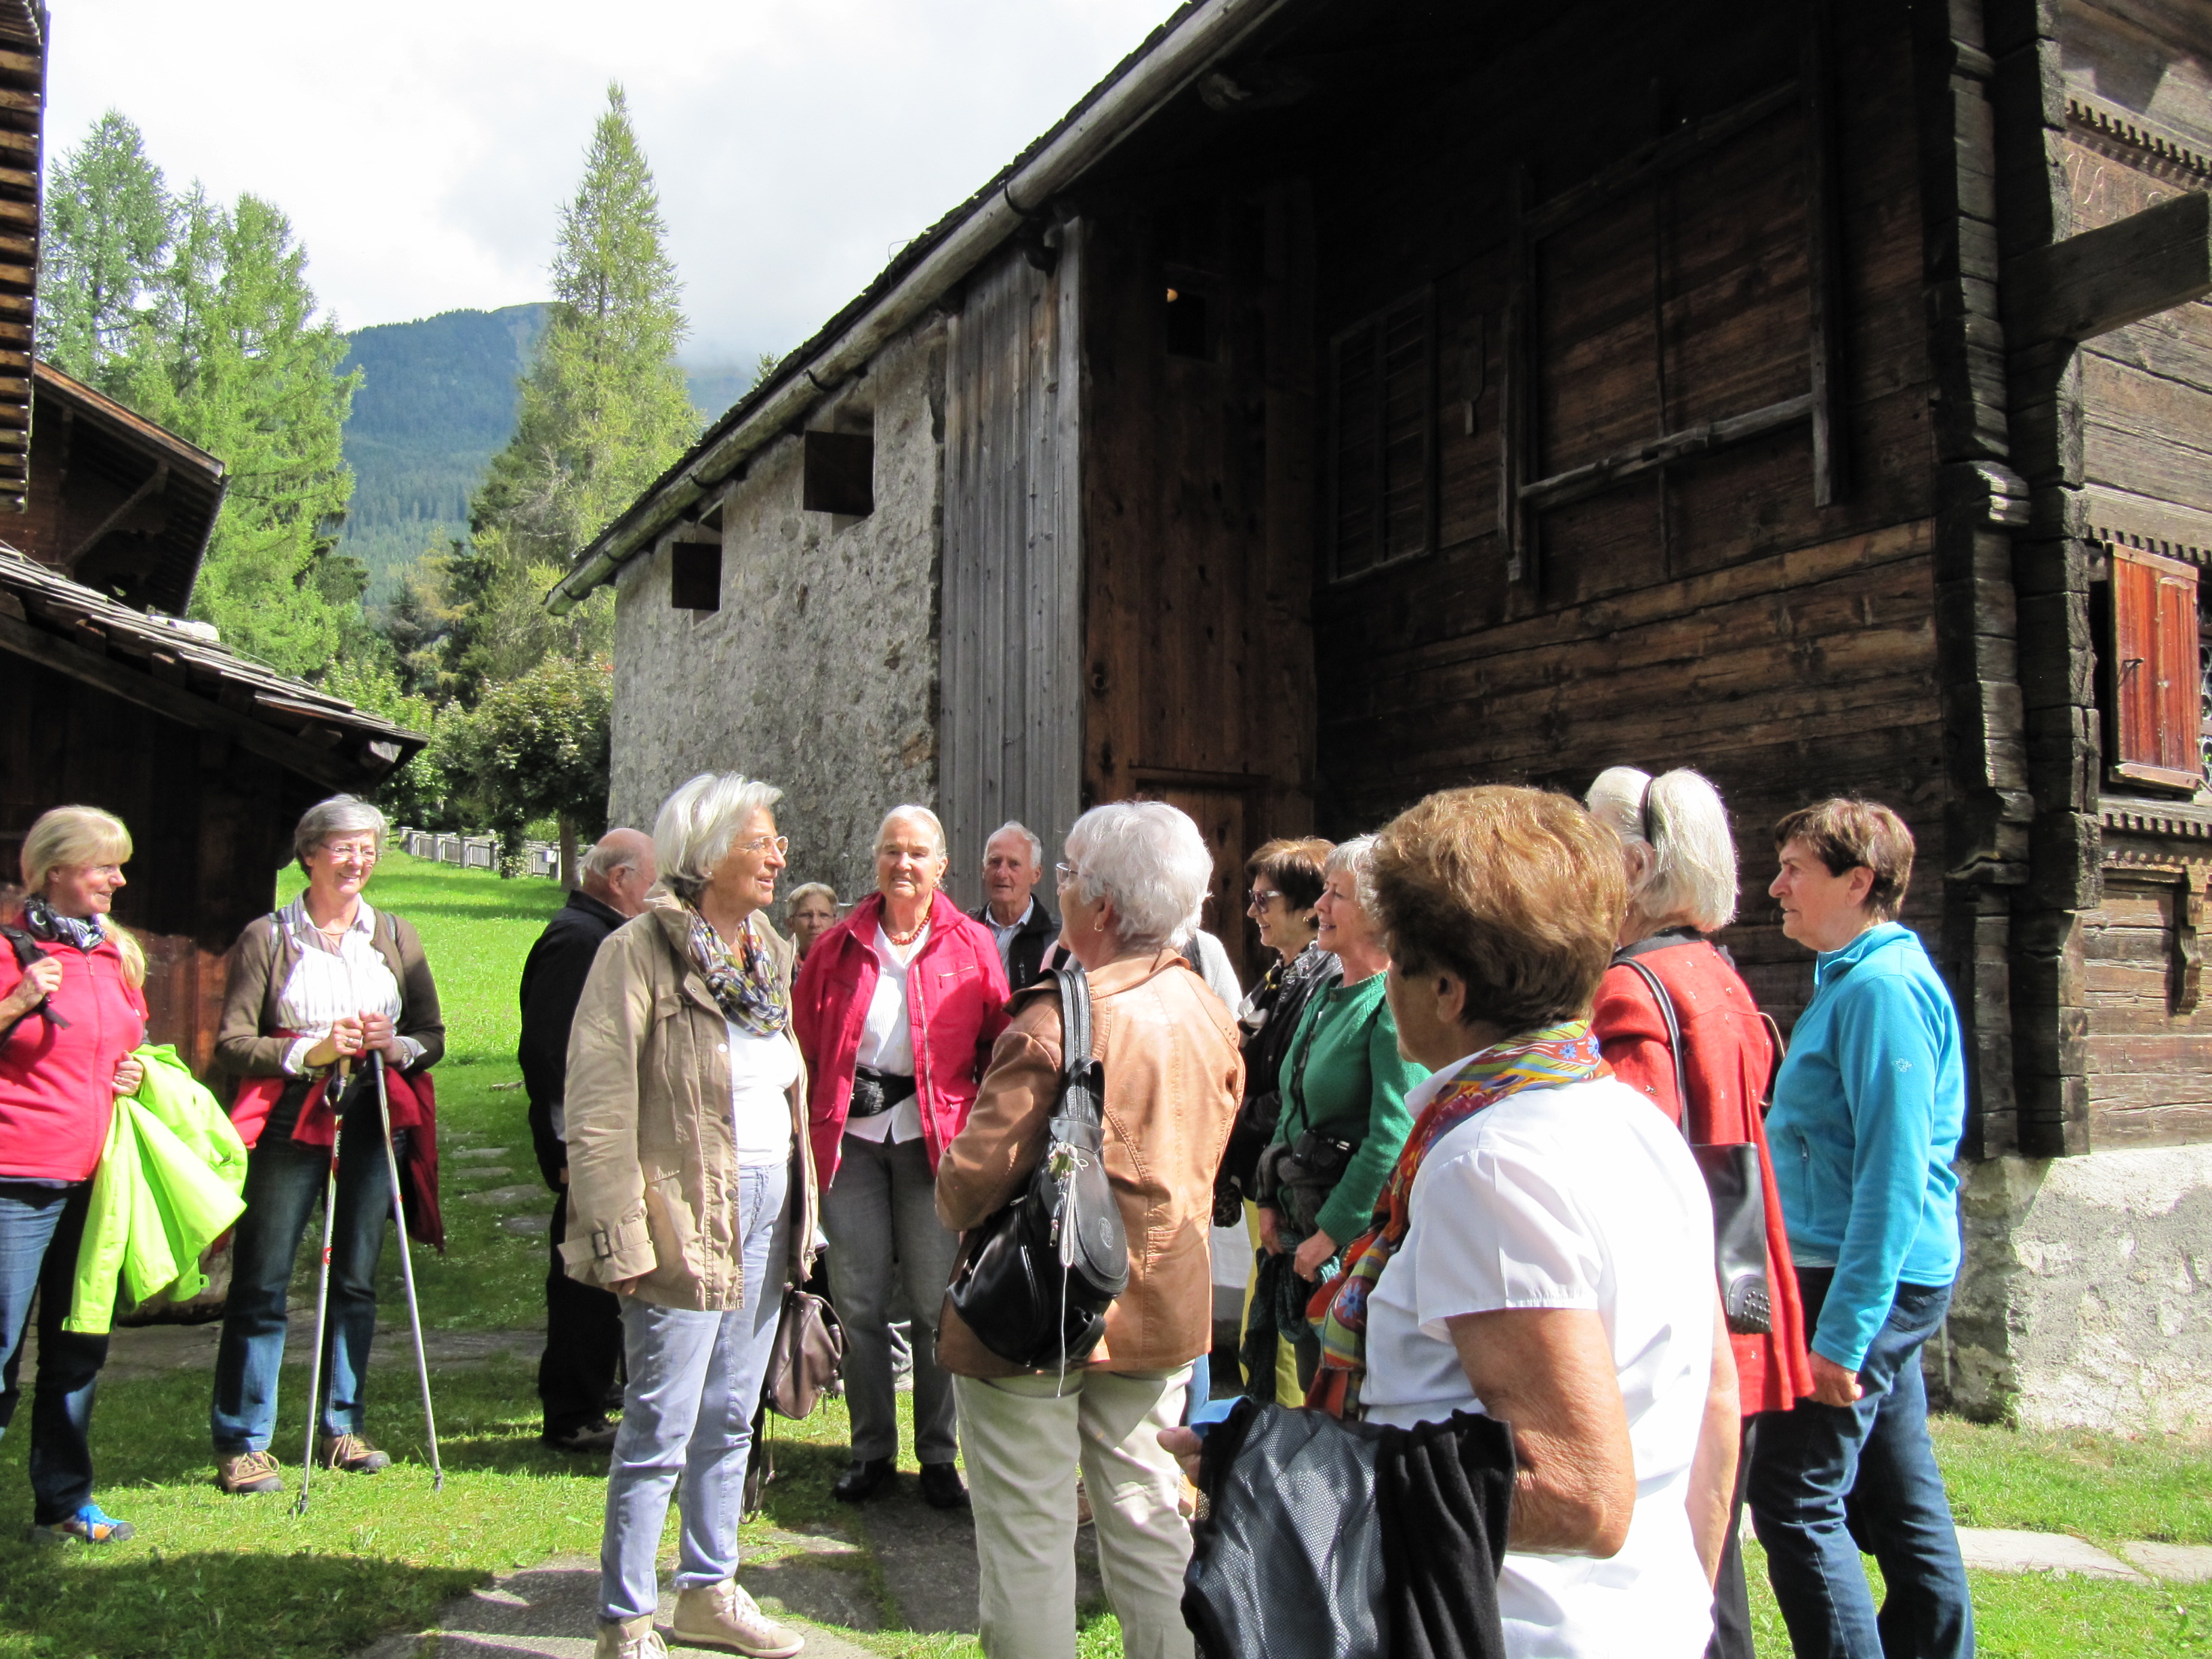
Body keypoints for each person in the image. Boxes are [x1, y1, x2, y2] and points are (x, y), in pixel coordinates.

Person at [1170, 785, 1739, 1656]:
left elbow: (1582, 1493)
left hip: (1514, 1631)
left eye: (1397, 963)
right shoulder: (1628, 1121)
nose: (1384, 984)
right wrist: (1684, 1605)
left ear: (1446, 988)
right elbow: (1715, 1406)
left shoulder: (1492, 1164)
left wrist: (1278, 1467)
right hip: (1630, 1625)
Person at [939, 800, 1243, 1659]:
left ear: (1101, 910)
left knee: (1031, 1538)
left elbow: (968, 1187)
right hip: (1158, 1305)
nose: (1058, 887)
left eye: (1066, 873)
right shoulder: (1207, 1008)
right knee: (1151, 1520)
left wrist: (948, 1179)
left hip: (1037, 1307)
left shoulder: (1056, 1020)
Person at [562, 772, 816, 1659]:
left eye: (777, 842)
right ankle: (626, 1618)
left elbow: (785, 1087)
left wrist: (803, 1214)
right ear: (708, 855)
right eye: (762, 842)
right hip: (680, 1212)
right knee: (659, 1422)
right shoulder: (636, 954)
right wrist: (616, 1230)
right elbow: (596, 1107)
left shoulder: (768, 952)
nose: (779, 855)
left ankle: (709, 1591)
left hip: (765, 1200)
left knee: (732, 1414)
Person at [1584, 766, 1814, 1659]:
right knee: (1712, 1570)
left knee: (1682, 1574)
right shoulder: (1714, 969)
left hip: (1682, 1315)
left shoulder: (1632, 989)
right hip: (1740, 1278)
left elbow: (1628, 1176)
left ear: (1636, 864)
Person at [1748, 799, 1972, 1659]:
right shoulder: (1854, 976)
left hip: (1856, 1275)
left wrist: (1843, 1336)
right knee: (1901, 1492)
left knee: (1798, 1500)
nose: (1776, 887)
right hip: (1862, 1271)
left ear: (1859, 881)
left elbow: (1896, 1175)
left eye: (1796, 870)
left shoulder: (1880, 991)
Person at [209, 795, 444, 1496]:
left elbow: (432, 1035)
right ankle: (245, 1440)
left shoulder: (395, 936)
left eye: (368, 848)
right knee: (264, 1279)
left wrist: (392, 1044)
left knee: (357, 1278)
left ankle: (342, 1425)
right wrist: (308, 1052)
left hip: (372, 1116)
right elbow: (231, 1043)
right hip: (290, 1120)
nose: (357, 860)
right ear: (309, 853)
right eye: (343, 847)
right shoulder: (269, 937)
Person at [793, 804, 1010, 1509]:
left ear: (942, 865)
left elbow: (997, 1045)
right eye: (891, 852)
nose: (903, 865)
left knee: (932, 1303)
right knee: (856, 1300)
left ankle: (938, 1456)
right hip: (851, 1146)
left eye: (918, 854)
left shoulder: (971, 945)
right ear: (876, 861)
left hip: (932, 1144)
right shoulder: (838, 947)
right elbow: (802, 1044)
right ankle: (870, 1451)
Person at [0, 806, 148, 1544]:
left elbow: (132, 1041)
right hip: (14, 1177)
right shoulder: (6, 949)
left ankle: (63, 1503)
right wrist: (20, 999)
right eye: (103, 866)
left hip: (98, 1182)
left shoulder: (115, 956)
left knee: (77, 1341)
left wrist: (131, 1075)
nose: (118, 879)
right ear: (55, 869)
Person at [1247, 835, 1425, 1399]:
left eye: (1336, 895)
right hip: (1301, 1231)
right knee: (1305, 1387)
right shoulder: (1325, 994)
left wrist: (1331, 1235)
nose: (1319, 906)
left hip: (1350, 1252)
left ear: (1378, 914)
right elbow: (1290, 1104)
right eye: (1324, 892)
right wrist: (1270, 1201)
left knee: (1341, 1405)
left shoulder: (1389, 1006)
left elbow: (1392, 1138)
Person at [519, 827, 658, 1452]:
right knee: (582, 1276)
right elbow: (552, 1053)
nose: (657, 894)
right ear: (620, 879)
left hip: (600, 1138)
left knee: (603, 1272)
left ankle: (594, 1392)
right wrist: (567, 1150)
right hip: (582, 1141)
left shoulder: (605, 936)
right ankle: (572, 1411)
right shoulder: (579, 941)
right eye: (651, 880)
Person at [1216, 836, 1334, 1400]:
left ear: (1308, 907)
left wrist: (1231, 1107)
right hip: (1267, 1173)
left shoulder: (1322, 981)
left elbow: (1295, 1089)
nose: (1251, 911)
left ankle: (1284, 1463)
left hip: (1292, 1178)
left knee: (1282, 1332)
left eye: (1264, 900)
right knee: (1260, 1324)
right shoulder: (1280, 976)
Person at [973, 821, 1058, 989]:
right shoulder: (965, 932)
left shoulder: (1056, 939)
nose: (1002, 873)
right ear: (983, 869)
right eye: (995, 862)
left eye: (1014, 864)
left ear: (1036, 874)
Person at [785, 883, 838, 964]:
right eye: (806, 915)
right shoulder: (780, 967)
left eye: (823, 915)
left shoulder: (850, 969)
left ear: (836, 924)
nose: (815, 924)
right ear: (791, 924)